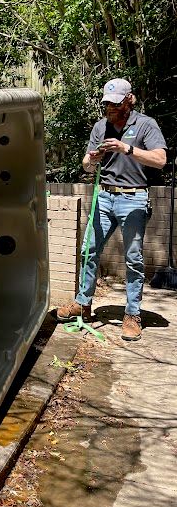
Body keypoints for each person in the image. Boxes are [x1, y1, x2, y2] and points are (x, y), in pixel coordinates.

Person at [57, 78, 167, 341]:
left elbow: (160, 160)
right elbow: (86, 165)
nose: (111, 109)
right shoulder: (100, 127)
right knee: (88, 250)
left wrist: (127, 149)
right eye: (107, 103)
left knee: (133, 258)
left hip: (134, 198)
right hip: (103, 196)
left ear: (129, 100)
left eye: (116, 104)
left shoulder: (145, 124)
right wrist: (92, 159)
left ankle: (131, 314)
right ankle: (83, 303)